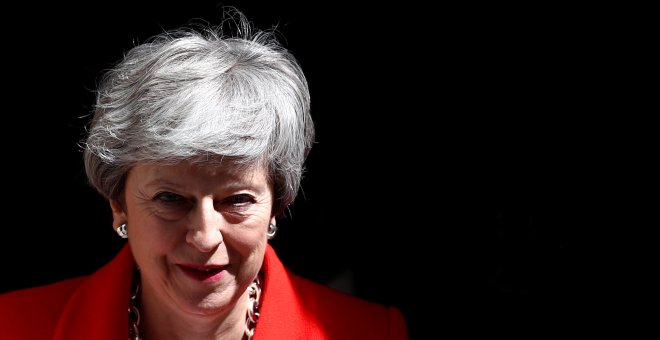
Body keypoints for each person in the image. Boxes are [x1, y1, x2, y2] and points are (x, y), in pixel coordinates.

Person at [0, 7, 408, 340]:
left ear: (277, 207)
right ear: (118, 203)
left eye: (237, 200)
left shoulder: (374, 333)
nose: (204, 237)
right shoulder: (13, 327)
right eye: (171, 199)